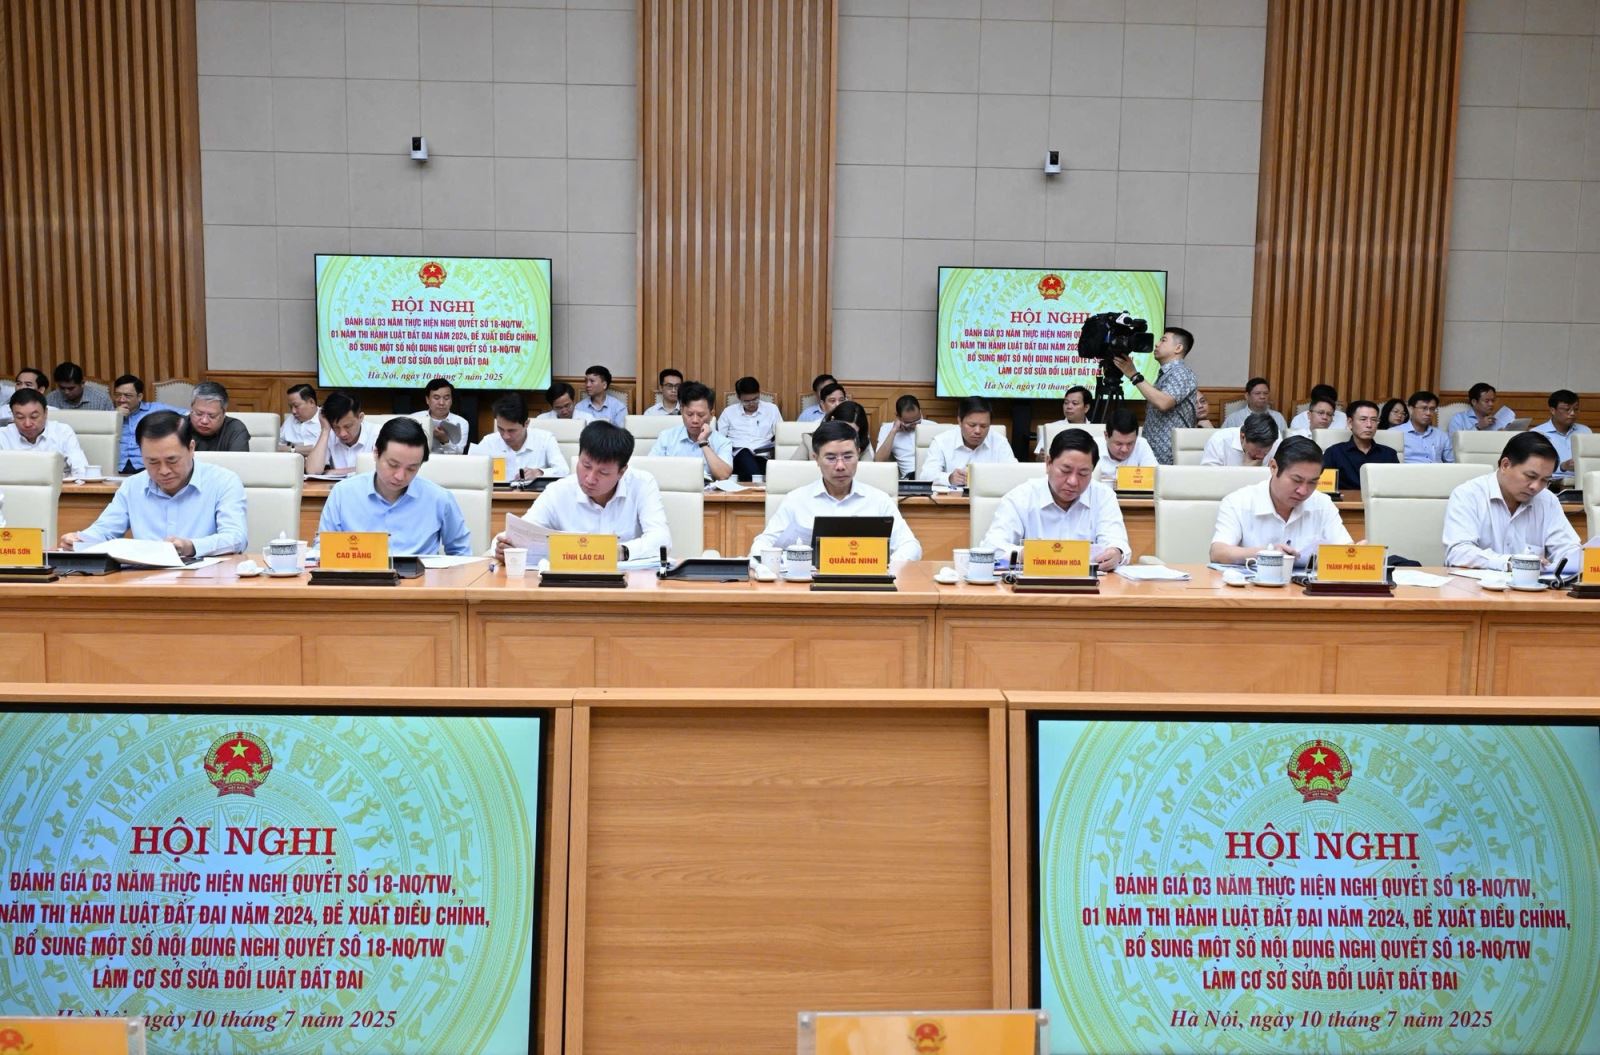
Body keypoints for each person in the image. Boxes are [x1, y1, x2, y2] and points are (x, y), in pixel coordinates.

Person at [59, 411, 246, 557]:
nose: (163, 470)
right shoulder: (132, 486)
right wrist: (80, 540)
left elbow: (236, 537)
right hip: (144, 580)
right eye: (153, 462)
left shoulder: (223, 482)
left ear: (191, 448)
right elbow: (105, 531)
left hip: (206, 580)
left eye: (172, 460)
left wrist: (191, 546)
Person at [492, 421, 672, 563]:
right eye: (586, 466)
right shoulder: (558, 491)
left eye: (603, 472)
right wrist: (502, 547)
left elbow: (661, 539)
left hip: (629, 583)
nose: (590, 478)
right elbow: (519, 532)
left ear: (622, 472)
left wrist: (619, 552)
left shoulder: (642, 484)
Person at [750, 420, 921, 565]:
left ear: (858, 454)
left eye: (848, 457)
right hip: (808, 585)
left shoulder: (879, 500)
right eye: (831, 458)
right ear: (816, 459)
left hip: (866, 586)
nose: (840, 466)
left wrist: (887, 567)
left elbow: (910, 546)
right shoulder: (796, 500)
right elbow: (762, 544)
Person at [981, 428, 1129, 571]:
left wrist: (1116, 553)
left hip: (1090, 584)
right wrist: (1026, 554)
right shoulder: (1020, 497)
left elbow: (1117, 542)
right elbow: (991, 546)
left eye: (1083, 473)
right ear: (1048, 463)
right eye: (1065, 471)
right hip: (1034, 584)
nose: (1073, 481)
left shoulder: (1103, 496)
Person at [318, 418, 471, 556]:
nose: (400, 476)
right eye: (393, 465)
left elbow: (461, 553)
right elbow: (323, 550)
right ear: (376, 453)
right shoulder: (343, 493)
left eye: (411, 468)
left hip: (421, 577)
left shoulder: (439, 499)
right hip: (359, 576)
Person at [1442, 432, 1580, 570]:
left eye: (1545, 480)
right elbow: (1458, 552)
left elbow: (1568, 548)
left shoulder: (1547, 500)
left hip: (1532, 584)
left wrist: (1573, 558)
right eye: (1530, 476)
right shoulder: (1468, 495)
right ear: (1505, 465)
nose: (1536, 487)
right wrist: (1511, 562)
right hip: (1476, 583)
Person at [1210, 436, 1351, 568]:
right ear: (1273, 467)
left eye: (1312, 482)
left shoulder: (1323, 504)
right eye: (1296, 480)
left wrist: (1356, 553)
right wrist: (1267, 554)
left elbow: (1345, 550)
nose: (1303, 491)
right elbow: (1218, 552)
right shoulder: (1238, 502)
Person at [1113, 326, 1196, 464]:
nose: (1157, 344)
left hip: (1170, 456)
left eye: (1163, 340)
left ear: (1178, 348)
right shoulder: (1167, 374)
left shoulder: (1181, 372)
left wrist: (1134, 375)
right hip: (1156, 454)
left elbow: (1164, 403)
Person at [919, 396, 1016, 486]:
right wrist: (949, 478)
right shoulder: (942, 441)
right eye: (972, 425)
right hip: (952, 498)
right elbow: (926, 476)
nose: (978, 431)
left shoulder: (1000, 442)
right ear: (959, 421)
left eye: (984, 426)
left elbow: (1014, 474)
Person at [468, 393, 569, 480]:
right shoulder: (489, 442)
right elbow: (471, 471)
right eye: (501, 429)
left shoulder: (545, 439)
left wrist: (539, 473)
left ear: (526, 423)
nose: (505, 436)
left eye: (511, 430)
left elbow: (563, 470)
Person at [648, 381, 733, 481]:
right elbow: (650, 469)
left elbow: (723, 475)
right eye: (689, 414)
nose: (695, 420)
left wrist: (703, 443)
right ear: (681, 411)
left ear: (711, 414)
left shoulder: (723, 442)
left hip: (706, 490)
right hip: (672, 488)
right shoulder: (667, 437)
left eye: (701, 415)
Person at [0, 390, 90, 476]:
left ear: (45, 413)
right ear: (13, 416)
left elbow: (81, 470)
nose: (27, 424)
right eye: (20, 417)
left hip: (60, 486)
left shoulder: (62, 432)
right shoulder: (3, 436)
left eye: (34, 417)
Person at [112, 375, 182, 473]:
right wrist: (115, 416)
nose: (121, 399)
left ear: (140, 396)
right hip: (116, 469)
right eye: (118, 395)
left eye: (127, 396)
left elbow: (188, 416)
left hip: (147, 469)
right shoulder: (109, 414)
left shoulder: (156, 409)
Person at [1321, 400, 1397, 490]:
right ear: (1350, 423)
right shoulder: (1334, 453)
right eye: (1363, 419)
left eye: (1373, 420)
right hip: (1346, 499)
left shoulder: (1389, 454)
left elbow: (1396, 487)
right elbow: (1325, 488)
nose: (1369, 425)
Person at [718, 375, 782, 479]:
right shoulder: (728, 412)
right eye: (746, 401)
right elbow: (719, 439)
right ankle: (759, 483)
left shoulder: (772, 410)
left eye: (755, 399)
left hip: (763, 456)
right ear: (738, 397)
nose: (751, 404)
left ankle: (755, 483)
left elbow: (781, 436)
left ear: (759, 393)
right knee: (744, 453)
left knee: (754, 466)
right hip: (737, 457)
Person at [306, 392, 379, 475]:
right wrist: (325, 430)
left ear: (360, 417)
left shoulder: (377, 434)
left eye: (348, 426)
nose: (342, 434)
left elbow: (379, 468)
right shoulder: (328, 433)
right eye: (336, 427)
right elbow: (312, 471)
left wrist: (337, 472)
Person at [1532, 389, 1589, 474]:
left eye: (1576, 409)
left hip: (1582, 479)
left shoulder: (1585, 431)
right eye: (1567, 409)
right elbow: (1534, 465)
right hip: (1551, 480)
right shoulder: (1537, 433)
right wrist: (1562, 466)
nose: (1572, 413)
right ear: (1553, 410)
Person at [1094, 409, 1158, 484]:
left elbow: (1155, 478)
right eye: (1119, 444)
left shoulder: (1141, 444)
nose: (1124, 450)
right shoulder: (1092, 447)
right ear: (1106, 436)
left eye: (1130, 443)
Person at [187, 381, 250, 452]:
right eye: (199, 414)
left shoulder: (235, 429)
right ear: (191, 409)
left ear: (223, 413)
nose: (204, 421)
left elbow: (239, 459)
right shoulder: (179, 426)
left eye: (212, 416)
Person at [410, 377, 468, 454]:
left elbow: (459, 454)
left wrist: (445, 441)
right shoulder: (413, 419)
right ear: (427, 400)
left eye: (446, 398)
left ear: (451, 400)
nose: (441, 403)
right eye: (436, 398)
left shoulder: (461, 422)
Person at [873, 395, 926, 478]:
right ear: (898, 416)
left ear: (920, 412)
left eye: (917, 421)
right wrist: (894, 431)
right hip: (910, 478)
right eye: (909, 423)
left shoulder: (932, 426)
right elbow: (879, 461)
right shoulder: (887, 429)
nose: (914, 426)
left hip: (930, 475)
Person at [1201, 412, 1280, 467]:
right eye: (1258, 450)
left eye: (1266, 452)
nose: (1261, 456)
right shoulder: (1219, 441)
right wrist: (1244, 470)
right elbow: (1209, 478)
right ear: (1243, 436)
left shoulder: (1276, 441)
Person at [1394, 390, 1453, 463]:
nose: (1428, 413)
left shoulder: (1442, 436)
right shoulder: (1394, 433)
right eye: (1424, 408)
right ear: (1411, 409)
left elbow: (1452, 464)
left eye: (1432, 409)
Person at [1033, 386, 1093, 456]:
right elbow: (1038, 458)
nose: (1069, 407)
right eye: (1066, 402)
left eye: (1075, 403)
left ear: (1086, 408)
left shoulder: (1096, 430)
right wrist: (1040, 457)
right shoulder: (1052, 428)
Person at [1448, 382, 1515, 434]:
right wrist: (1478, 427)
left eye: (1493, 400)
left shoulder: (1495, 420)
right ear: (1474, 402)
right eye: (1487, 401)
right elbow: (1454, 443)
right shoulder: (1458, 419)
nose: (1491, 404)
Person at [1222, 378, 1287, 431]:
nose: (1262, 397)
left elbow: (1285, 440)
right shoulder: (1234, 419)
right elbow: (1222, 439)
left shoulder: (1278, 417)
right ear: (1247, 396)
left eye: (1266, 393)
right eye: (1257, 393)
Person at [45, 362, 114, 411]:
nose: (66, 392)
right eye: (62, 388)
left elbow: (112, 424)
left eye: (71, 388)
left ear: (82, 383)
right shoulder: (51, 399)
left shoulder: (101, 399)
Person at [278, 384, 322, 456]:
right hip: (290, 461)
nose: (293, 411)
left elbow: (321, 449)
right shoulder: (290, 419)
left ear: (311, 402)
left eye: (296, 406)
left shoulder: (326, 419)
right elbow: (278, 446)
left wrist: (291, 449)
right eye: (290, 407)